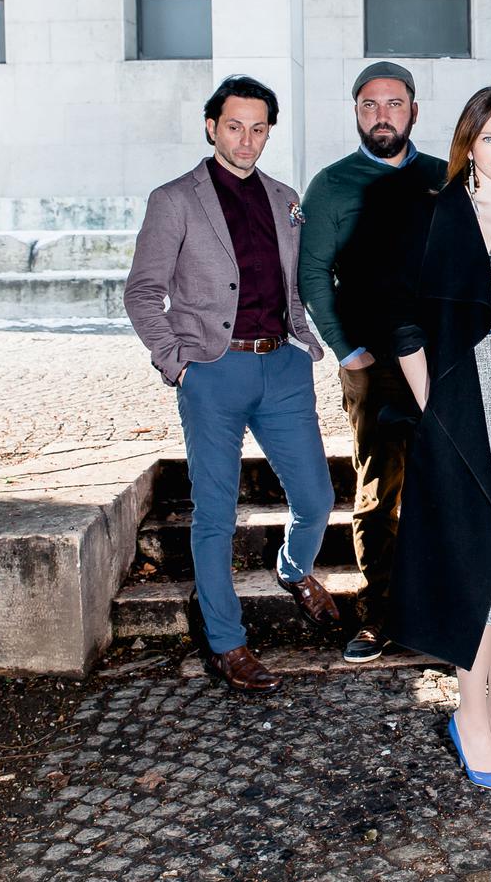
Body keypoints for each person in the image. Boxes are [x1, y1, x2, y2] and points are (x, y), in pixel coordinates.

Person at [125, 75, 338, 693]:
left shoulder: (285, 198)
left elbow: (295, 283)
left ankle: (293, 569)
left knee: (317, 498)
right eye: (235, 126)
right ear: (211, 127)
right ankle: (226, 642)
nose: (247, 140)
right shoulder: (174, 200)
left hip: (282, 367)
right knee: (215, 514)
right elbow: (143, 292)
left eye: (259, 128)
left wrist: (304, 341)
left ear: (269, 132)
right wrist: (177, 362)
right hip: (212, 372)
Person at [388, 87, 491, 794]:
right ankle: (469, 716)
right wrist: (434, 409)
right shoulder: (433, 211)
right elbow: (401, 321)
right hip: (460, 403)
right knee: (474, 568)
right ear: (469, 144)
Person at [298, 61, 448, 663]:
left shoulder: (444, 177)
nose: (382, 115)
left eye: (393, 104)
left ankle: (443, 612)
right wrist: (346, 349)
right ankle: (379, 615)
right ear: (356, 112)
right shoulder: (332, 185)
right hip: (372, 364)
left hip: (440, 363)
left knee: (445, 485)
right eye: (369, 105)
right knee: (378, 490)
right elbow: (313, 274)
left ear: (414, 111)